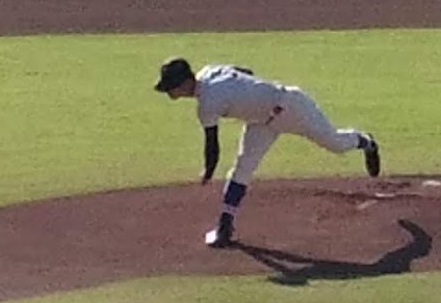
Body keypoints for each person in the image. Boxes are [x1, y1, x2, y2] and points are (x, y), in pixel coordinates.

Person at [154, 57, 382, 248]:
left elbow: (212, 143)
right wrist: (249, 96)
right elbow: (245, 71)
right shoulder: (210, 71)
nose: (169, 91)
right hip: (260, 123)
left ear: (185, 82)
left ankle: (365, 141)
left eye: (171, 86)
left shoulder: (207, 104)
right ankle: (225, 226)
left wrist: (208, 170)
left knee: (335, 143)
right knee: (242, 168)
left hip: (291, 107)